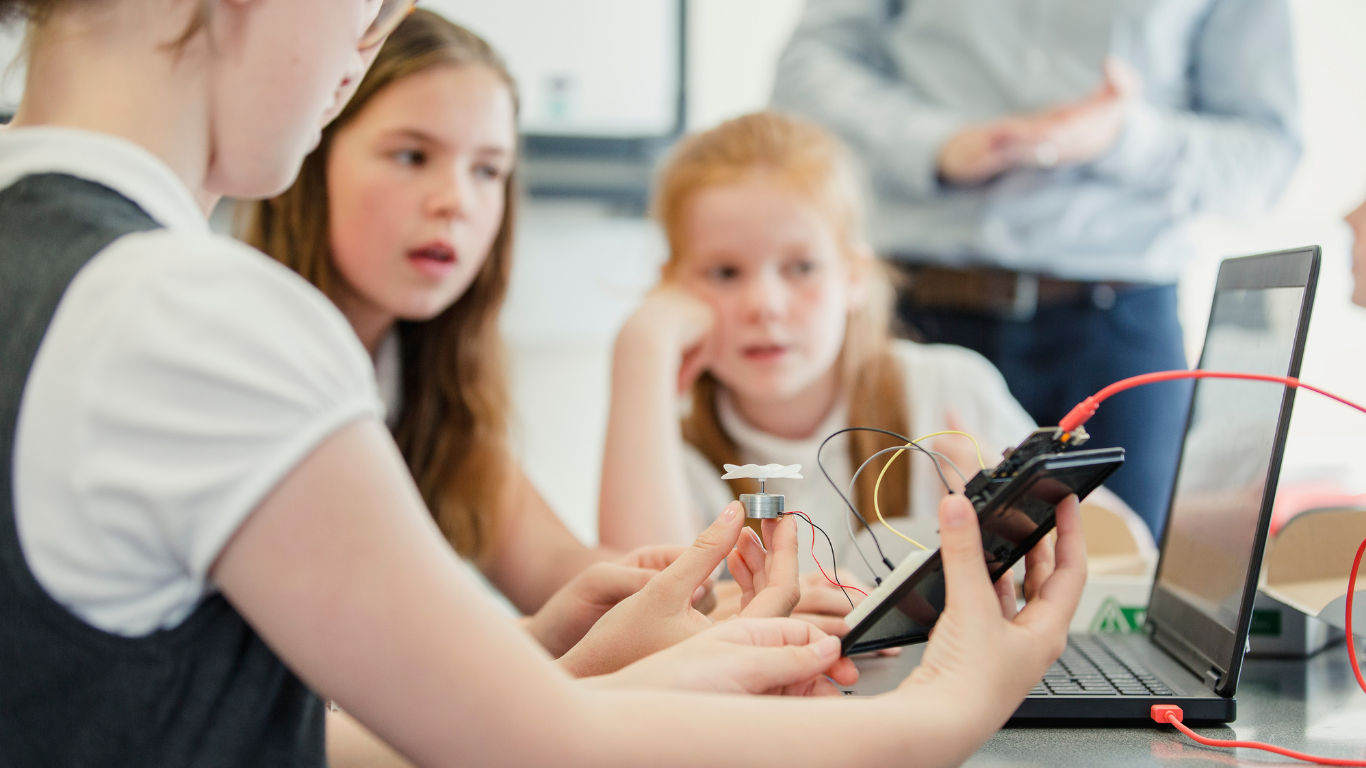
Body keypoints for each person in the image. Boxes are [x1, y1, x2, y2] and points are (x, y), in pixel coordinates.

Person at [0, 1, 1089, 767]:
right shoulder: (188, 318)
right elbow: (541, 753)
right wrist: (955, 698)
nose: (362, 41)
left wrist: (533, 660)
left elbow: (205, 728)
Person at [240, 10, 729, 668]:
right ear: (310, 153)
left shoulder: (422, 381)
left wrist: (731, 608)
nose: (456, 201)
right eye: (411, 156)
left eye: (488, 170)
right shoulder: (249, 361)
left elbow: (565, 567)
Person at [770, 0, 1302, 537]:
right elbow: (807, 69)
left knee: (1126, 589)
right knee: (886, 573)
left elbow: (1267, 154)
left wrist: (1125, 137)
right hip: (917, 309)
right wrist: (932, 142)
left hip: (1116, 330)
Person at [598, 111, 1143, 587]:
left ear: (855, 276)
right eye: (723, 272)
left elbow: (1132, 555)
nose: (764, 304)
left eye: (801, 267)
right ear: (671, 287)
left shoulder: (946, 389)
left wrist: (1010, 500)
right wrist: (643, 347)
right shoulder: (666, 435)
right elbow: (643, 602)